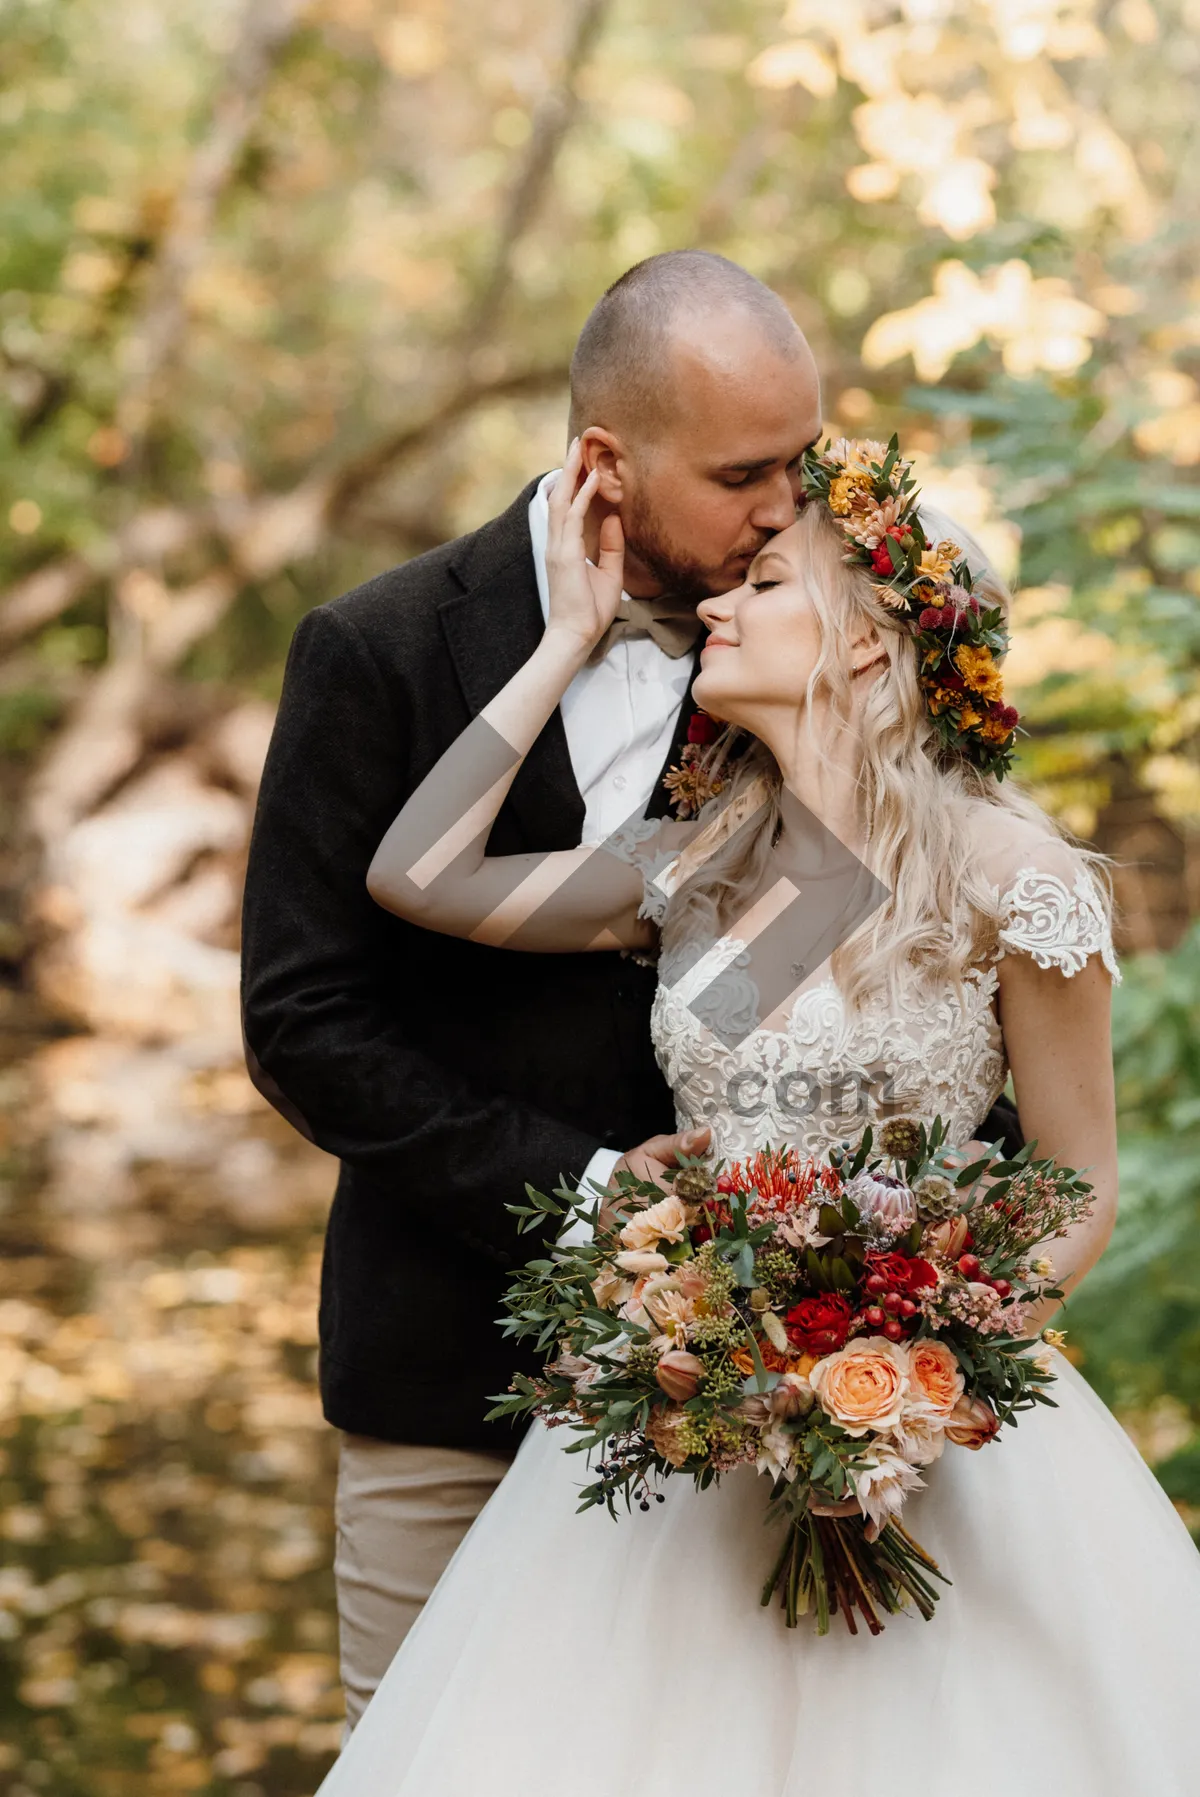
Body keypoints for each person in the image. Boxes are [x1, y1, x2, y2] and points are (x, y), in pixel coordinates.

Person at [312, 437, 1200, 1795]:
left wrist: (922, 1371)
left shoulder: (1007, 879)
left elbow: (1079, 1185)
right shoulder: (709, 866)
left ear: (861, 646)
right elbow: (414, 872)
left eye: (768, 582)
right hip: (686, 1423)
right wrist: (558, 646)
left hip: (934, 1438)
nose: (718, 605)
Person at [240, 252, 1024, 1729]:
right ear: (607, 458)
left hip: (803, 1417)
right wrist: (601, 1196)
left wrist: (900, 1309)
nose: (787, 507)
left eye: (801, 460)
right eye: (745, 473)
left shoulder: (804, 660)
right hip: (454, 1377)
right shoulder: (379, 647)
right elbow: (305, 1020)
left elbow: (947, 1011)